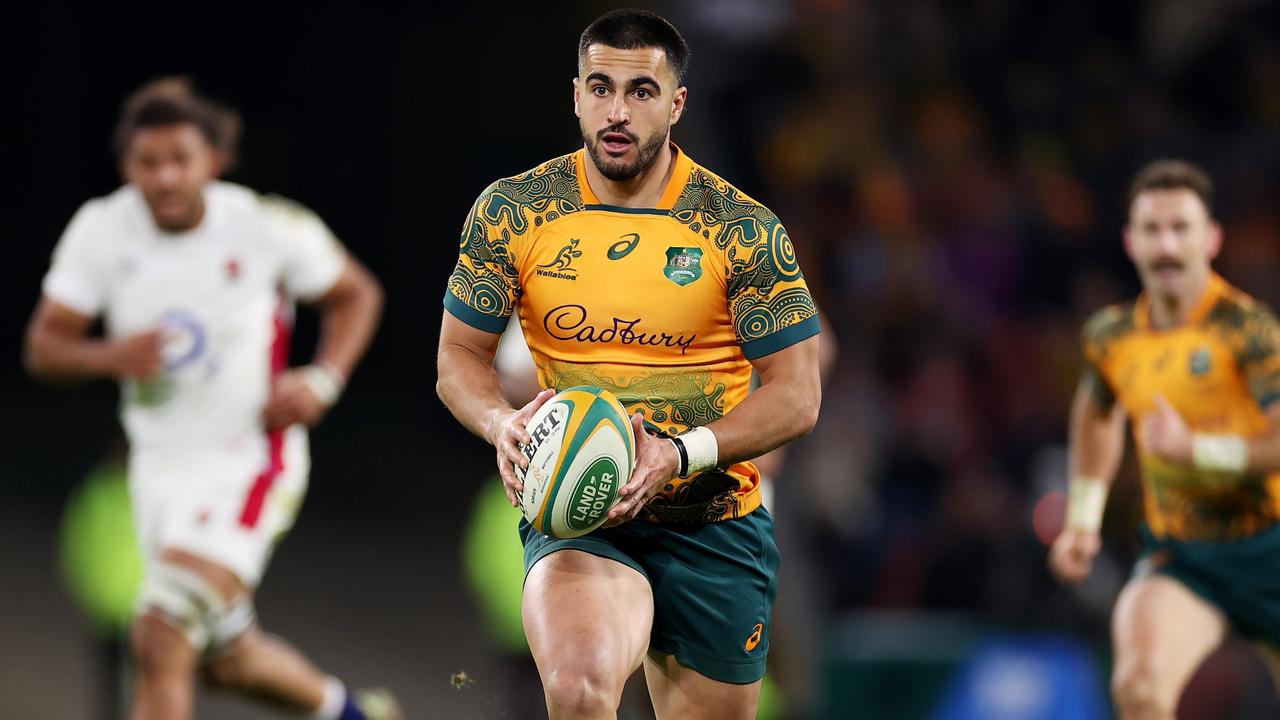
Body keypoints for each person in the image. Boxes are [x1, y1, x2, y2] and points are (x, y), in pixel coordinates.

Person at [436, 9, 821, 720]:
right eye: (601, 87)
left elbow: (797, 397)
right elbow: (459, 358)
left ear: (677, 103)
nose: (618, 111)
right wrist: (501, 424)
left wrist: (678, 455)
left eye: (641, 91)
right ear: (575, 94)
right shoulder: (513, 213)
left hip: (713, 517)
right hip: (582, 513)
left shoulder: (741, 230)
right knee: (579, 690)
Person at [24, 78, 396, 720]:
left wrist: (322, 379)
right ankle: (354, 714)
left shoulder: (264, 224)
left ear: (213, 163)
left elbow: (356, 293)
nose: (166, 178)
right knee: (227, 663)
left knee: (159, 633)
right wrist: (107, 355)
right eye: (148, 163)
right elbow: (45, 347)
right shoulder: (102, 229)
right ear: (126, 168)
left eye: (181, 161)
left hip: (250, 461)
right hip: (157, 473)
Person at [1049, 159, 1280, 720]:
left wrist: (1197, 452)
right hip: (1186, 554)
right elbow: (1096, 411)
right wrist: (1083, 517)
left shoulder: (1247, 330)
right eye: (1152, 230)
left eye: (1181, 228)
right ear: (1131, 241)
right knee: (1140, 687)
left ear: (1212, 237)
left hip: (1272, 544)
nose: (1167, 245)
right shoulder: (1113, 336)